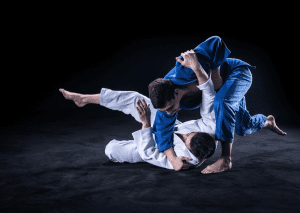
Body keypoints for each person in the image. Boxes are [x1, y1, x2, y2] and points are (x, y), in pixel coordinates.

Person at [148, 36, 287, 174]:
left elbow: (215, 42)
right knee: (241, 127)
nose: (169, 112)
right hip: (223, 91)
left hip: (236, 74)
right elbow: (162, 130)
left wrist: (215, 73)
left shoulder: (185, 68)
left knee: (222, 102)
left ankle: (226, 159)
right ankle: (267, 121)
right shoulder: (165, 102)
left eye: (170, 108)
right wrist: (173, 160)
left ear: (176, 93)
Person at [58, 63, 217, 170]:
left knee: (111, 149)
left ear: (190, 151)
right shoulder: (210, 131)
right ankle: (83, 99)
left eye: (186, 139)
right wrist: (198, 68)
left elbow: (149, 153)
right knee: (136, 99)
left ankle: (127, 144)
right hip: (166, 126)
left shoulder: (184, 161)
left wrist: (146, 123)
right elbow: (210, 97)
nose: (186, 134)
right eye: (190, 133)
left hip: (150, 147)